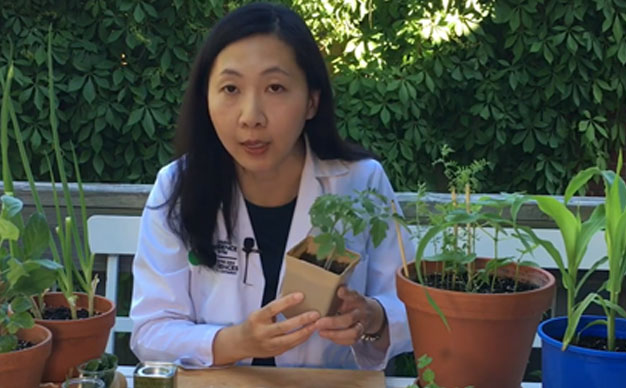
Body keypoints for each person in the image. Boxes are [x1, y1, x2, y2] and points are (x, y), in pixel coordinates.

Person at [130, 2, 414, 371]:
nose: (252, 117)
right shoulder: (176, 187)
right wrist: (235, 342)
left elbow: (414, 309)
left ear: (312, 101)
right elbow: (150, 332)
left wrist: (373, 318)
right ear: (206, 98)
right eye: (230, 88)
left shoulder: (362, 182)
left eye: (275, 87)